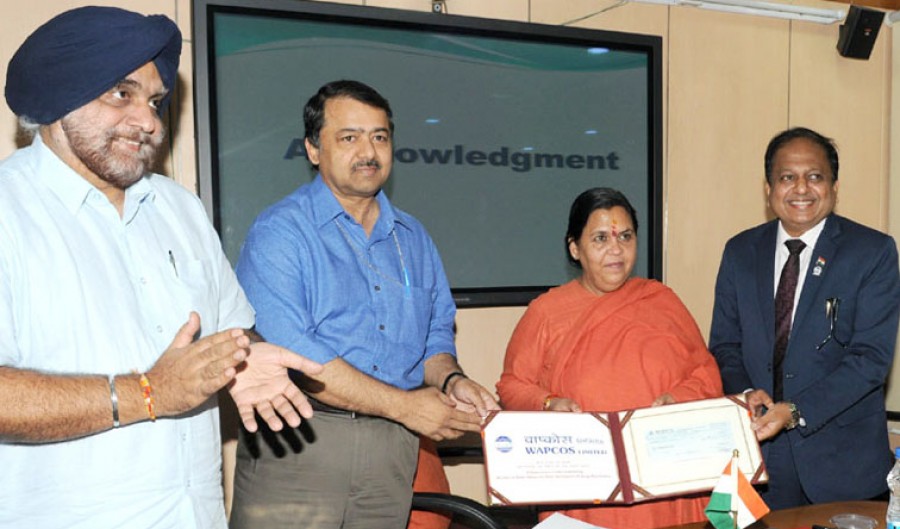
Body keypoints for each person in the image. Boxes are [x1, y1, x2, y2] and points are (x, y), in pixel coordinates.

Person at [0, 7, 321, 528]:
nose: (150, 121)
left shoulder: (179, 208)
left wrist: (243, 362)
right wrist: (148, 392)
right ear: (61, 96)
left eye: (153, 101)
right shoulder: (8, 211)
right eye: (121, 94)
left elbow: (231, 330)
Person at [229, 79, 500, 529]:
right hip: (300, 440)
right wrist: (406, 407)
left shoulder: (414, 238)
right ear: (313, 149)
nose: (369, 152)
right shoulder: (280, 231)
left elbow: (433, 337)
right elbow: (297, 356)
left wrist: (452, 379)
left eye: (379, 137)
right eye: (349, 138)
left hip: (392, 450)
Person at [496, 187, 723, 529]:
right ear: (575, 248)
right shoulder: (547, 312)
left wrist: (677, 399)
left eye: (625, 236)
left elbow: (706, 373)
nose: (616, 249)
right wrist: (548, 402)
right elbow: (512, 385)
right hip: (587, 489)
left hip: (668, 481)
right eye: (600, 238)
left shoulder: (662, 301)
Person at [709, 127, 900, 509]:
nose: (801, 188)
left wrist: (795, 411)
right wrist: (746, 393)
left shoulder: (872, 252)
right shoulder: (740, 251)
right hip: (759, 458)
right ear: (768, 188)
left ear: (834, 186)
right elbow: (725, 345)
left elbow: (870, 361)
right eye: (787, 177)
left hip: (843, 463)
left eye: (815, 176)